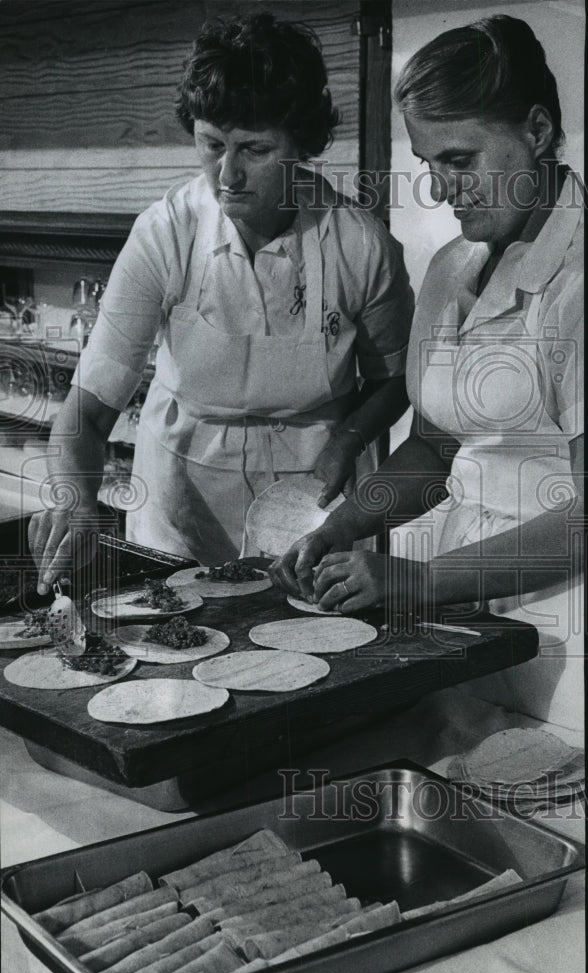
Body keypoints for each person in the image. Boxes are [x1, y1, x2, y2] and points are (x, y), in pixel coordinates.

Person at [270, 15, 584, 737]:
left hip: (562, 619)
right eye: (429, 164)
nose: (443, 189)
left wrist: (419, 582)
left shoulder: (579, 280)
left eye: (461, 160)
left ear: (537, 130)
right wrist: (345, 524)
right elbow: (435, 451)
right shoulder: (452, 268)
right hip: (450, 608)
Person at [28, 12, 414, 592]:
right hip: (177, 511)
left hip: (310, 507)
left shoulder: (361, 246)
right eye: (211, 145)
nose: (226, 174)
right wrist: (76, 498)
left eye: (253, 149)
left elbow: (394, 378)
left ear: (301, 143)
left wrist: (348, 437)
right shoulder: (165, 234)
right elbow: (84, 413)